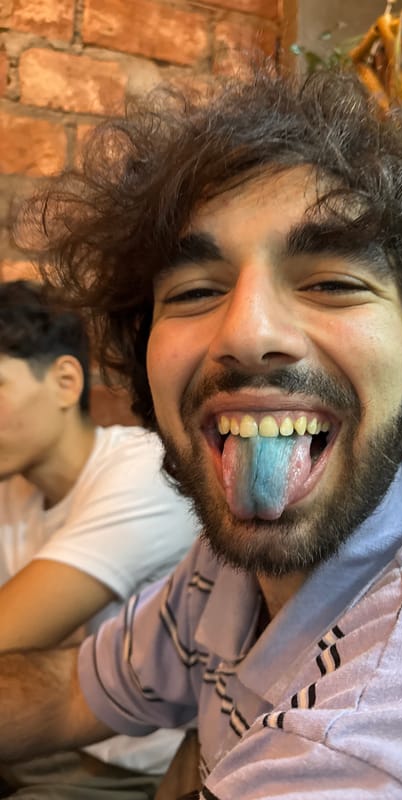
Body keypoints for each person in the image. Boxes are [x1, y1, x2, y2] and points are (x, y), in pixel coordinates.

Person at [1, 67, 402, 799]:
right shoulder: (224, 571)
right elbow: (69, 689)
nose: (248, 334)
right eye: (195, 291)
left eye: (332, 283)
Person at [0, 280, 198, 797]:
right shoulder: (14, 489)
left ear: (66, 381)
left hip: (123, 768)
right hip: (38, 741)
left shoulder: (144, 472)